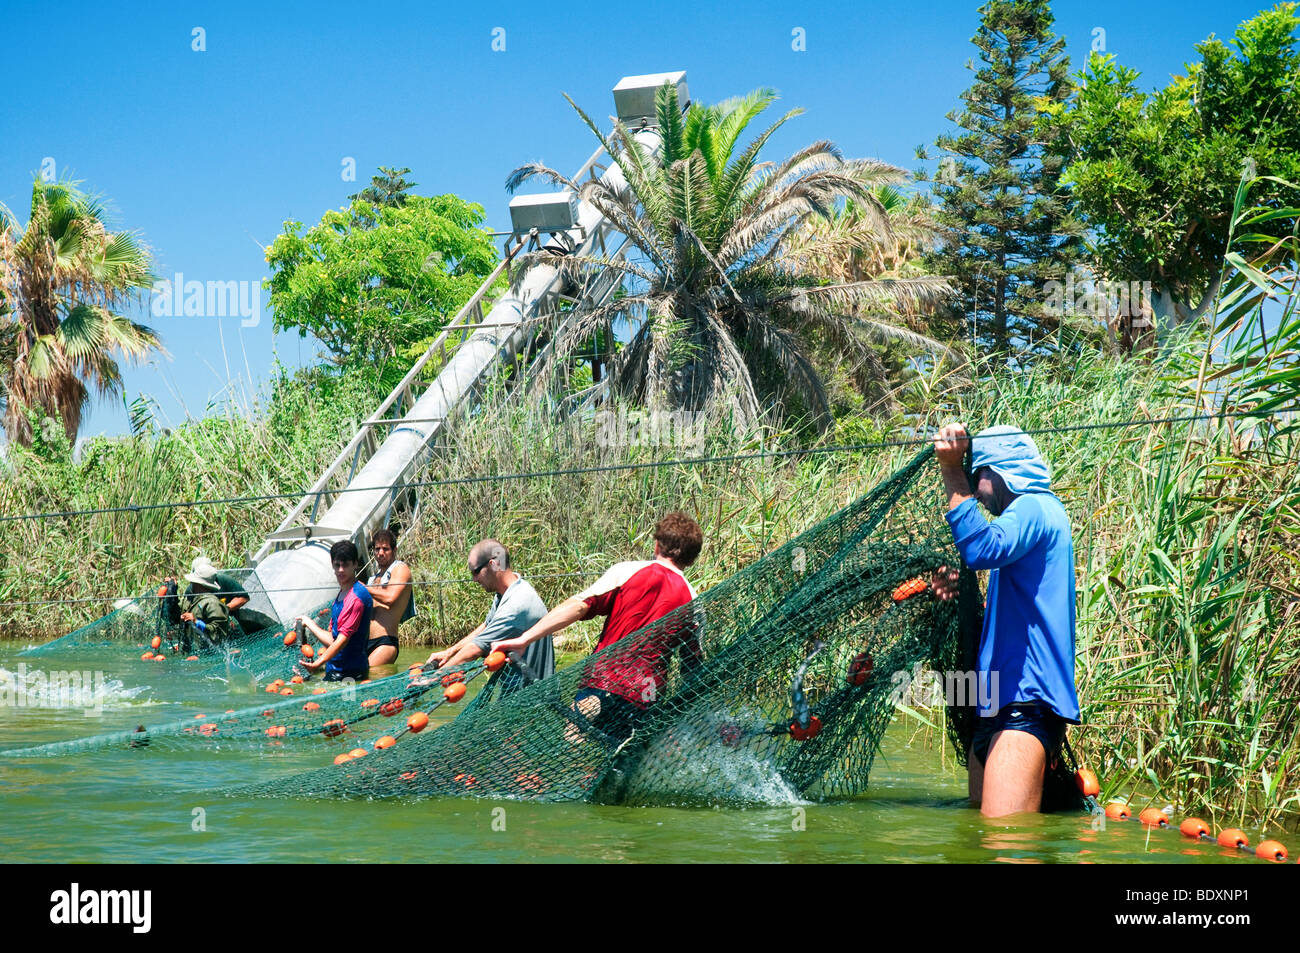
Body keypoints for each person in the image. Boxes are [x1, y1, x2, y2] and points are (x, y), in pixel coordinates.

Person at [931, 422, 1080, 818]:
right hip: (993, 704)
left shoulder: (1034, 505)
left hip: (1025, 705)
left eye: (979, 477)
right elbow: (1013, 611)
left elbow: (980, 549)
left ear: (999, 472)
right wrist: (958, 594)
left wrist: (950, 469)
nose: (978, 493)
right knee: (979, 841)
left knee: (1004, 841)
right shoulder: (1022, 522)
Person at [491, 512, 704, 742]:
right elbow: (692, 668)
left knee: (570, 751)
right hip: (645, 698)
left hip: (602, 685)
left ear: (656, 545)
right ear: (692, 559)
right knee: (620, 766)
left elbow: (580, 607)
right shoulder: (694, 602)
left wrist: (525, 639)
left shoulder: (627, 571)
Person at [424, 540, 550, 693]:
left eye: (475, 572)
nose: (474, 579)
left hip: (533, 699)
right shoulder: (511, 590)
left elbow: (475, 649)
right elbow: (485, 628)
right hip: (516, 693)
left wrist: (431, 680)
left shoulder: (516, 606)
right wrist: (449, 652)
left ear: (493, 564)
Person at [298, 540, 374, 682]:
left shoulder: (356, 598)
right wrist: (309, 623)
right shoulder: (342, 593)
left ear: (355, 564)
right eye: (337, 565)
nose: (340, 570)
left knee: (349, 704)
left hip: (351, 674)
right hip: (335, 670)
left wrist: (317, 663)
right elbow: (333, 639)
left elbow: (342, 641)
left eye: (345, 565)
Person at [364, 528, 414, 667]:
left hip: (385, 643)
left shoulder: (400, 568)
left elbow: (390, 598)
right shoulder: (372, 579)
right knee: (359, 681)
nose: (380, 553)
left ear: (394, 550)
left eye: (385, 549)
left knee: (368, 677)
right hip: (364, 642)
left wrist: (364, 588)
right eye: (377, 549)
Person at [178, 563, 232, 644]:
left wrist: (196, 622)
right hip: (190, 651)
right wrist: (171, 590)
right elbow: (176, 614)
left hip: (208, 653)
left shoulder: (212, 603)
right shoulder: (191, 599)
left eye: (193, 582)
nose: (191, 584)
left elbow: (219, 633)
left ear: (198, 584)